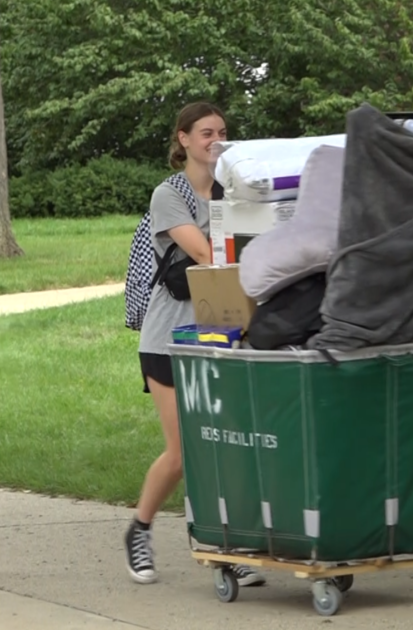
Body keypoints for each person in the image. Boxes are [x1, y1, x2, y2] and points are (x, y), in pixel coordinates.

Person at [124, 102, 265, 589]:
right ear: (183, 139)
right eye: (206, 132)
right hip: (169, 340)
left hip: (224, 334)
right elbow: (208, 255)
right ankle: (139, 530)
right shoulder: (170, 195)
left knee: (227, 447)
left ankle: (228, 549)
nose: (216, 140)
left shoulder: (234, 191)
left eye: (222, 132)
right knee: (183, 454)